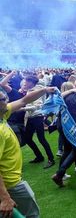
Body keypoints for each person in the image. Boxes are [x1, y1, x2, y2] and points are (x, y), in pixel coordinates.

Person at [0, 86, 56, 218]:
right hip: (11, 186)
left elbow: (24, 100)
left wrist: (44, 90)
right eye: (2, 99)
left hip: (9, 184)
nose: (6, 100)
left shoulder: (2, 114)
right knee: (32, 215)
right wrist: (5, 197)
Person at [22, 75, 55, 169]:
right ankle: (39, 156)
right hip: (31, 117)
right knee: (27, 139)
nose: (24, 83)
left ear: (31, 83)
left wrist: (22, 108)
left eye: (26, 81)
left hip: (37, 117)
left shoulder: (36, 92)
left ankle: (51, 159)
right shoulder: (32, 90)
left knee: (41, 139)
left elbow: (37, 106)